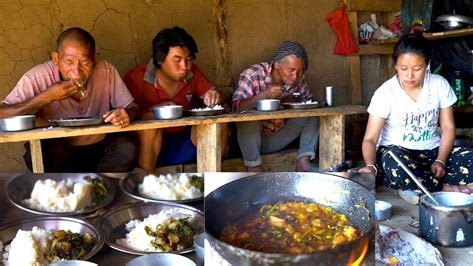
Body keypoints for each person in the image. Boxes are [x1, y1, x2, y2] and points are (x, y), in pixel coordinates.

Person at [0, 27, 140, 172]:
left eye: (85, 63)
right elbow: (2, 113)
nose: (76, 71)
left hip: (97, 146)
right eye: (69, 61)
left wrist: (127, 114)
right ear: (55, 58)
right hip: (57, 153)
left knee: (126, 146)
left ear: (95, 59)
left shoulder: (106, 70)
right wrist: (46, 97)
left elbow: (134, 108)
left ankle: (102, 189)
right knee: (54, 148)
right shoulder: (36, 77)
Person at [359, 33, 473, 194]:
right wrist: (370, 166)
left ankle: (420, 185)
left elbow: (448, 127)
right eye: (403, 68)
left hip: (433, 152)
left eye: (417, 68)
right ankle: (446, 188)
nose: (409, 75)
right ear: (396, 66)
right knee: (396, 167)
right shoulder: (385, 93)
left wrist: (440, 160)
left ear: (427, 65)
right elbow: (370, 139)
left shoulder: (439, 85)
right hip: (398, 153)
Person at [124, 26, 228, 172]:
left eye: (188, 60)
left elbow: (217, 95)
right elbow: (126, 116)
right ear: (160, 59)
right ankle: (148, 184)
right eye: (177, 60)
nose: (184, 67)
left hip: (184, 143)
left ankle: (211, 181)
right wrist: (153, 112)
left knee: (220, 123)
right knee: (150, 125)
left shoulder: (192, 73)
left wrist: (215, 95)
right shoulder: (136, 78)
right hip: (150, 149)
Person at [232, 40, 319, 172]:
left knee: (314, 114)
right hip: (249, 143)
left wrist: (284, 118)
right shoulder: (252, 75)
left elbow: (307, 102)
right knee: (247, 121)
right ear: (277, 64)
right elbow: (236, 108)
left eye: (300, 71)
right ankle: (254, 167)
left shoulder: (298, 80)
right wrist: (263, 95)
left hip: (276, 138)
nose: (295, 76)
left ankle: (303, 160)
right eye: (291, 70)